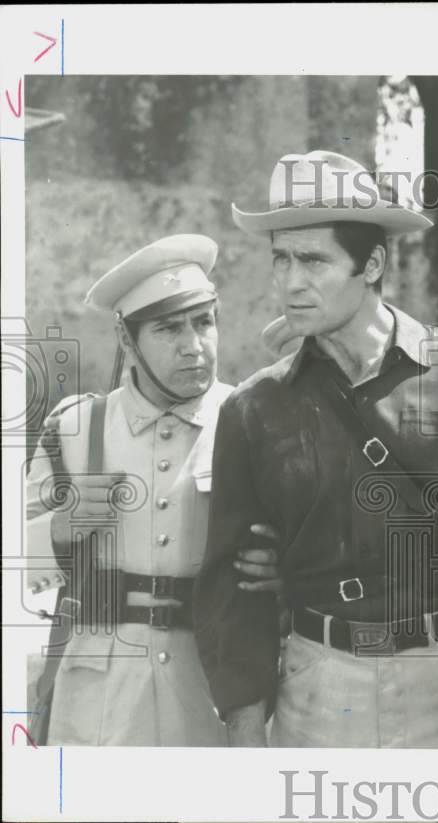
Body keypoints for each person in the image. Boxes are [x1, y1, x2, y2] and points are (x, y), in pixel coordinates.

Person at [193, 151, 438, 749]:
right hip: (315, 694)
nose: (291, 281)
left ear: (371, 264)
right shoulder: (251, 409)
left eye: (313, 260)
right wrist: (246, 729)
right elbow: (231, 586)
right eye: (281, 259)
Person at [24, 234, 235, 745]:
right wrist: (61, 528)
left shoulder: (246, 418)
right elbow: (15, 566)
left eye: (203, 323)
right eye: (168, 329)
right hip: (98, 701)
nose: (193, 346)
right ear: (127, 341)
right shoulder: (74, 427)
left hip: (206, 691)